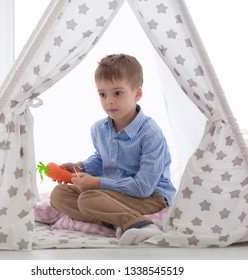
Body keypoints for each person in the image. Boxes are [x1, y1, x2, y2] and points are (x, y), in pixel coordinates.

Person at [50, 53, 176, 245]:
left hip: (151, 196)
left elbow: (143, 187)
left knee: (88, 199)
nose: (109, 101)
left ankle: (140, 225)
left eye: (117, 93)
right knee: (59, 194)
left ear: (137, 93)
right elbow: (101, 159)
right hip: (113, 193)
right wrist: (80, 168)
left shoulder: (150, 133)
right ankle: (113, 218)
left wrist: (98, 183)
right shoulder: (99, 129)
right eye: (102, 94)